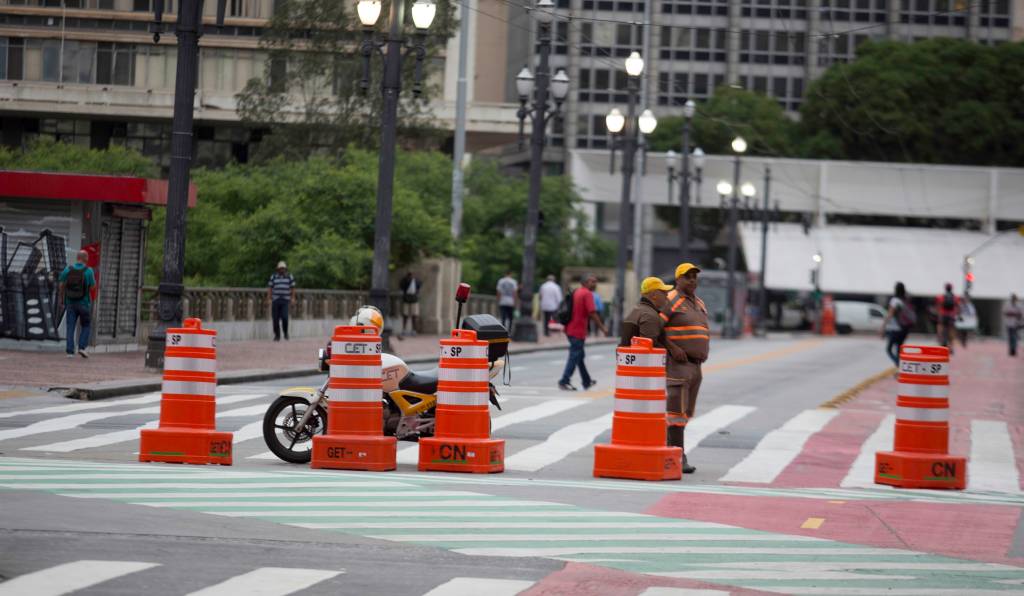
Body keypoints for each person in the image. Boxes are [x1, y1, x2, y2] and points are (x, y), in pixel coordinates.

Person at [660, 263, 710, 474]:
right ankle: (677, 455)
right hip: (678, 364)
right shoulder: (670, 299)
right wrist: (672, 348)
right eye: (687, 276)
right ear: (677, 279)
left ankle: (667, 448)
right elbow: (654, 328)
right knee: (676, 413)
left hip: (695, 366)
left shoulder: (698, 302)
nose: (692, 280)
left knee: (686, 412)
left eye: (694, 277)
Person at [558, 273, 607, 391]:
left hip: (570, 328)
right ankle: (564, 381)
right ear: (585, 283)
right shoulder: (587, 293)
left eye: (595, 281)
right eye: (592, 281)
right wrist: (602, 328)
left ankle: (586, 381)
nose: (595, 284)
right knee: (575, 355)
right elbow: (592, 313)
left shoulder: (576, 292)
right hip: (577, 330)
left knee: (579, 355)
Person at [58, 249, 96, 358]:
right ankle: (82, 347)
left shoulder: (68, 269)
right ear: (84, 258)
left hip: (70, 302)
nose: (88, 259)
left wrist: (62, 298)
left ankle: (70, 352)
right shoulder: (88, 271)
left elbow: (61, 284)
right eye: (87, 257)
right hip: (84, 303)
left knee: (70, 327)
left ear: (77, 258)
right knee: (86, 325)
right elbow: (93, 287)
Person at [881, 281, 913, 366]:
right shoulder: (905, 300)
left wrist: (883, 326)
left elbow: (890, 314)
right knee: (899, 350)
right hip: (905, 328)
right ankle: (900, 367)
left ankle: (899, 365)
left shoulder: (895, 300)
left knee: (889, 349)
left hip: (895, 328)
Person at [267, 261, 296, 341]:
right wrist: (269, 298)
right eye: (280, 268)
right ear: (278, 269)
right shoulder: (273, 277)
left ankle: (285, 332)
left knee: (285, 317)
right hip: (275, 299)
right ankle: (277, 335)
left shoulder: (289, 276)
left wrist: (293, 298)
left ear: (285, 269)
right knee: (275, 319)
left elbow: (293, 288)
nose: (282, 270)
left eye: (283, 268)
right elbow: (270, 288)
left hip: (285, 300)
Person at [934, 282, 959, 354]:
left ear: (945, 288)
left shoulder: (941, 297)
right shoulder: (955, 297)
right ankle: (951, 348)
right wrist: (957, 315)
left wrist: (938, 314)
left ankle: (941, 342)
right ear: (951, 289)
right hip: (951, 316)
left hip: (943, 315)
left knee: (940, 327)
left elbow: (938, 306)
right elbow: (957, 307)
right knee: (951, 331)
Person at [399, 271, 421, 337]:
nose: (410, 277)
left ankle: (413, 330)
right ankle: (404, 329)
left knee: (414, 316)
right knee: (405, 315)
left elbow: (419, 286)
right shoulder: (405, 281)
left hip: (414, 299)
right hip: (406, 299)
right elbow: (401, 286)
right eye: (409, 275)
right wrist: (406, 279)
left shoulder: (416, 281)